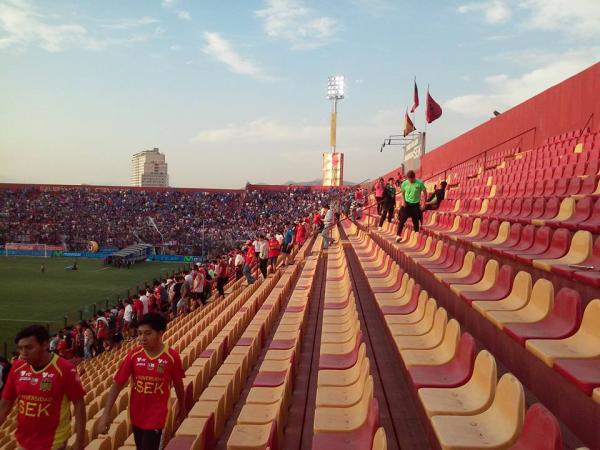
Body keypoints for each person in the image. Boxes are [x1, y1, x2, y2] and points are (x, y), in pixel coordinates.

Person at [98, 313, 185, 450]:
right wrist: (105, 414)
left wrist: (183, 408)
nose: (142, 338)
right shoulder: (134, 355)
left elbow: (179, 385)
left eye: (147, 333)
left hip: (158, 419)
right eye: (139, 334)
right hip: (136, 417)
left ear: (160, 333)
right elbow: (117, 384)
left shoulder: (171, 357)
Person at [0, 325, 86, 450]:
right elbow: (5, 404)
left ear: (45, 345)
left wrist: (80, 441)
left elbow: (79, 404)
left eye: (29, 347)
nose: (23, 353)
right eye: (21, 348)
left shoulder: (65, 369)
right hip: (23, 442)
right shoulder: (17, 367)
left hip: (53, 443)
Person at [395, 170, 427, 242]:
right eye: (408, 179)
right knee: (402, 220)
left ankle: (416, 235)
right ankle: (398, 235)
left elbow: (425, 193)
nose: (410, 181)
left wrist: (424, 204)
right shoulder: (404, 184)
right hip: (406, 204)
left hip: (415, 205)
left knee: (415, 221)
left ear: (414, 177)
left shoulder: (419, 183)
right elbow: (402, 193)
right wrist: (403, 201)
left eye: (411, 179)